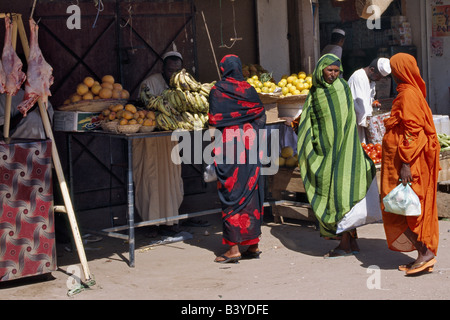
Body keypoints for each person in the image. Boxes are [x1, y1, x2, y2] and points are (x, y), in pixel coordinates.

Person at [296, 53, 379, 258]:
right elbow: (311, 120)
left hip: (344, 150)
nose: (333, 74)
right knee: (340, 194)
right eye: (329, 70)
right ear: (320, 71)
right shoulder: (315, 93)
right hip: (324, 151)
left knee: (341, 195)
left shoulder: (342, 88)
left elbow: (347, 120)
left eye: (336, 71)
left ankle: (345, 244)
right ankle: (351, 241)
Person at [381, 53, 440, 275]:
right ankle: (422, 253)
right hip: (403, 160)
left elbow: (412, 132)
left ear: (400, 71)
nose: (393, 74)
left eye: (395, 69)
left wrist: (405, 162)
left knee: (405, 207)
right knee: (402, 206)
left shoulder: (408, 95)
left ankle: (425, 253)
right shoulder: (409, 92)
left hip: (408, 162)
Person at [208, 54, 266, 263]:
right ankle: (253, 245)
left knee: (231, 193)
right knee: (250, 192)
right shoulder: (249, 89)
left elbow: (214, 120)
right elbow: (261, 115)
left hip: (229, 145)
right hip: (250, 143)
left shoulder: (217, 90)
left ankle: (233, 250)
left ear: (223, 69)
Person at [348, 57, 391, 143]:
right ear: (372, 70)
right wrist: (369, 123)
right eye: (379, 77)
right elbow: (359, 106)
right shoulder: (358, 77)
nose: (379, 80)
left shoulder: (371, 79)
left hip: (365, 121)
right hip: (357, 121)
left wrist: (373, 103)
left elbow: (368, 98)